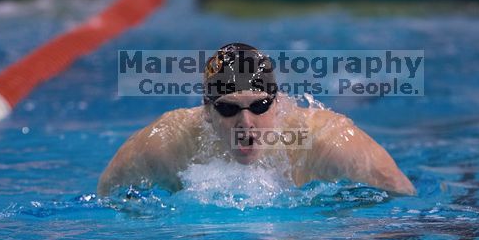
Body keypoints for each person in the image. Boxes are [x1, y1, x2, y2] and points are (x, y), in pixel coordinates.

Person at [97, 43, 415, 196]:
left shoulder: (326, 143)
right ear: (207, 111)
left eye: (259, 106)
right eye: (229, 109)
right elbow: (105, 203)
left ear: (277, 105)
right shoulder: (164, 146)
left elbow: (404, 200)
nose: (246, 123)